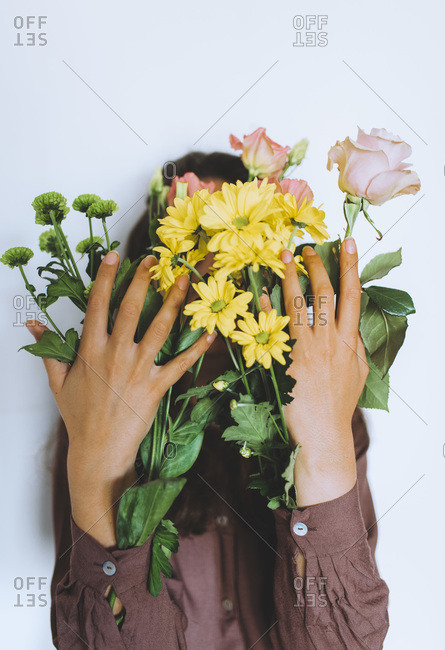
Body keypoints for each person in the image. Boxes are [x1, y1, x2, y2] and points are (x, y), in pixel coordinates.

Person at [26, 152, 389, 649]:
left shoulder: (328, 407)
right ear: (148, 272)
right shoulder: (98, 417)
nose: (210, 264)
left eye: (229, 233)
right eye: (190, 236)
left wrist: (325, 445)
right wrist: (98, 463)